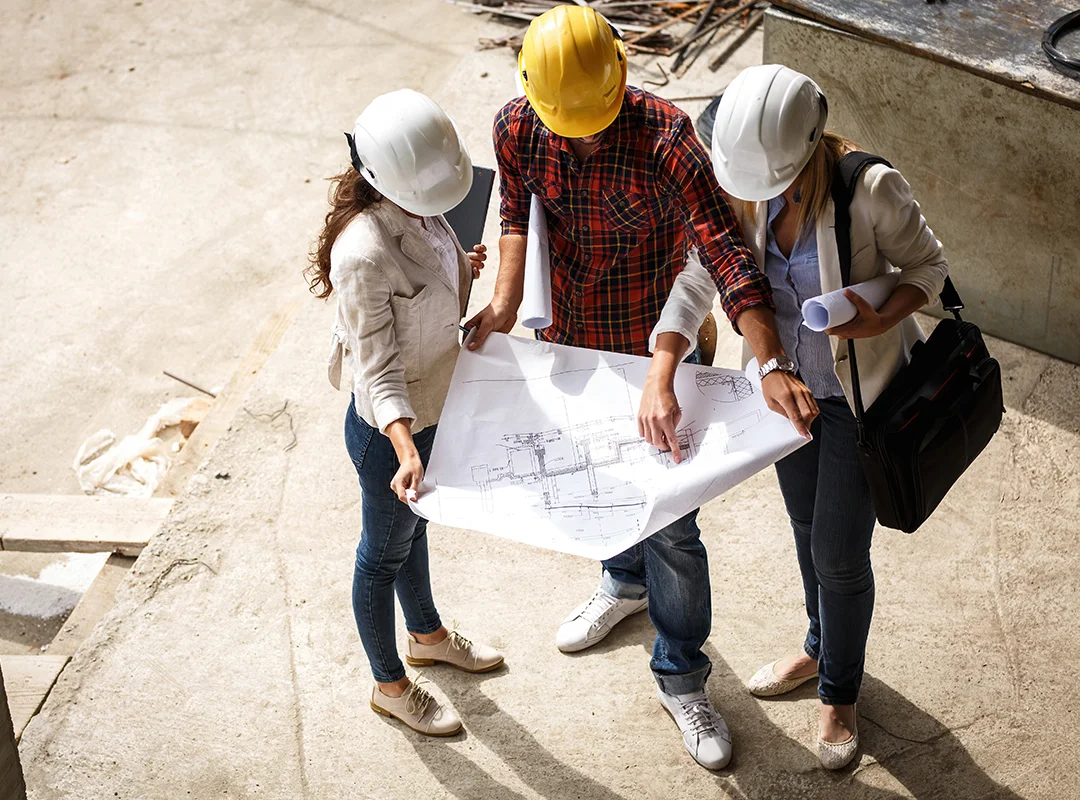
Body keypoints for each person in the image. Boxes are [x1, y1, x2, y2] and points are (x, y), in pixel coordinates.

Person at [465, 6, 818, 770]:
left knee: (672, 523)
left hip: (656, 345)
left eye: (592, 120)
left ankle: (681, 676)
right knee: (600, 484)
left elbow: (723, 253)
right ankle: (623, 585)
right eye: (569, 123)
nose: (582, 134)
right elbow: (515, 211)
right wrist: (502, 301)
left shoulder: (667, 139)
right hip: (571, 339)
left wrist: (771, 361)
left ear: (622, 79)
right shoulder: (518, 126)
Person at [708, 64, 949, 769]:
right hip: (786, 396)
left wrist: (883, 321)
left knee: (840, 557)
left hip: (856, 402)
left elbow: (928, 269)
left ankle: (840, 691)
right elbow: (716, 271)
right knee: (807, 529)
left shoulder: (868, 186)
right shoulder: (743, 184)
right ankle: (820, 648)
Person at [308, 89, 504, 738]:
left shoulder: (427, 204)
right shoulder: (362, 254)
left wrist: (464, 271)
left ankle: (426, 635)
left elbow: (431, 294)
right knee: (381, 555)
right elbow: (377, 366)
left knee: (413, 533)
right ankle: (390, 684)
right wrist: (405, 447)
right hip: (390, 438)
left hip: (434, 410)